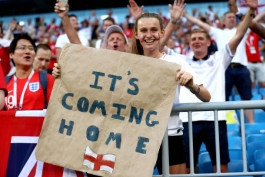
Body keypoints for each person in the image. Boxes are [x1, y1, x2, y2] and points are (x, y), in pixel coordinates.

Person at [179, 0, 257, 173]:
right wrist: (173, 21)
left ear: (208, 43)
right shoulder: (181, 61)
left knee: (221, 166)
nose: (197, 41)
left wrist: (251, 10)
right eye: (193, 39)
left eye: (200, 38)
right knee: (185, 167)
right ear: (189, 43)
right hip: (187, 120)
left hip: (215, 119)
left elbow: (239, 34)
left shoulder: (219, 59)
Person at [183, 3, 255, 123]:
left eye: (233, 17)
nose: (232, 18)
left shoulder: (242, 30)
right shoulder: (217, 32)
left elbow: (252, 21)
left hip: (242, 67)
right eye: (229, 17)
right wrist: (185, 15)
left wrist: (252, 10)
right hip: (223, 68)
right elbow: (201, 24)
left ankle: (251, 124)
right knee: (222, 99)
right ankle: (227, 123)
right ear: (223, 21)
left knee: (246, 98)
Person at [5, 34, 54, 111]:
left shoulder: (47, 79)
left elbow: (57, 112)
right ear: (11, 54)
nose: (27, 51)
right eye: (22, 48)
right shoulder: (4, 83)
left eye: (31, 49)